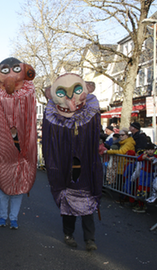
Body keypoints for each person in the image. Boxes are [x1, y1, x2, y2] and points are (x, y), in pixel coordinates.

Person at [42, 74, 102, 251]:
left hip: (85, 170)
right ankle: (68, 234)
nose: (69, 97)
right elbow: (50, 142)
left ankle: (89, 239)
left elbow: (93, 133)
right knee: (68, 205)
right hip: (66, 170)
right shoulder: (53, 113)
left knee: (87, 206)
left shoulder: (90, 109)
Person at [0, 57, 37, 229]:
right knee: (3, 190)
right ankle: (3, 217)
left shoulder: (28, 92)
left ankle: (13, 218)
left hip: (22, 157)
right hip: (5, 157)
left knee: (18, 191)